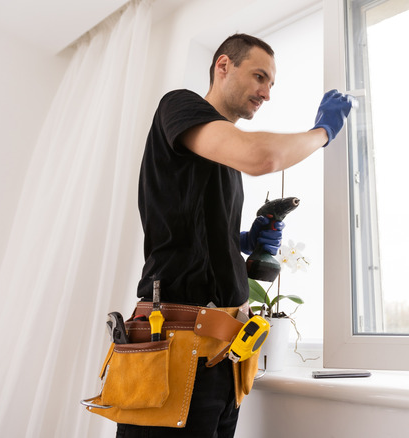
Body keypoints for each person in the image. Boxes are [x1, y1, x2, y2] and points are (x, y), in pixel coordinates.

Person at [117, 33, 353, 437]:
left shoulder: (222, 159)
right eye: (259, 77)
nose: (266, 93)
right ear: (223, 66)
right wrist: (324, 131)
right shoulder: (179, 106)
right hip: (176, 345)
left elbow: (186, 223)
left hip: (221, 356)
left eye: (271, 84)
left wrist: (243, 239)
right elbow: (263, 157)